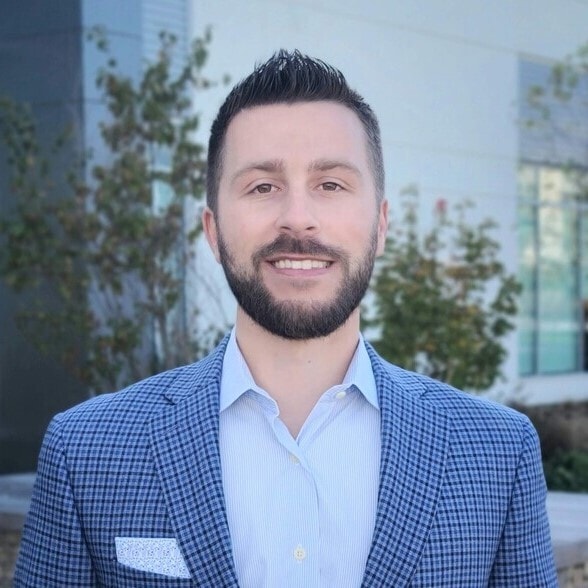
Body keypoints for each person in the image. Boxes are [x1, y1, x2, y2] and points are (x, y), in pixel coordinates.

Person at [15, 50, 557, 587]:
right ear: (213, 231)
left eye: (331, 184)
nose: (298, 218)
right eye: (262, 187)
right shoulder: (86, 450)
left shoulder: (497, 451)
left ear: (381, 226)